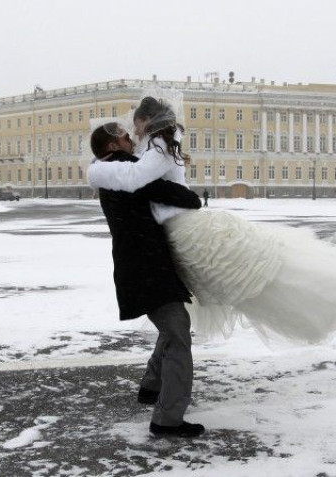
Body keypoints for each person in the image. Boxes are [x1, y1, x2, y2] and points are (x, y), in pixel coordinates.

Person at [88, 96, 336, 344]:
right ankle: (319, 306)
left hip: (186, 229)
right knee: (240, 282)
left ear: (147, 121)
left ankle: (326, 300)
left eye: (135, 124)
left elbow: (137, 178)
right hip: (177, 231)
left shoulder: (160, 145)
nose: (133, 131)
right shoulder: (154, 146)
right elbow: (136, 170)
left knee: (248, 273)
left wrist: (97, 170)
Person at [90, 122, 205, 438]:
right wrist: (189, 195)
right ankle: (167, 420)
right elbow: (175, 195)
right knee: (178, 334)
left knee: (171, 329)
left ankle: (151, 388)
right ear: (113, 147)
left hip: (137, 265)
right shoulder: (125, 169)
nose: (132, 140)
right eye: (126, 137)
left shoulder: (109, 173)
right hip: (147, 267)